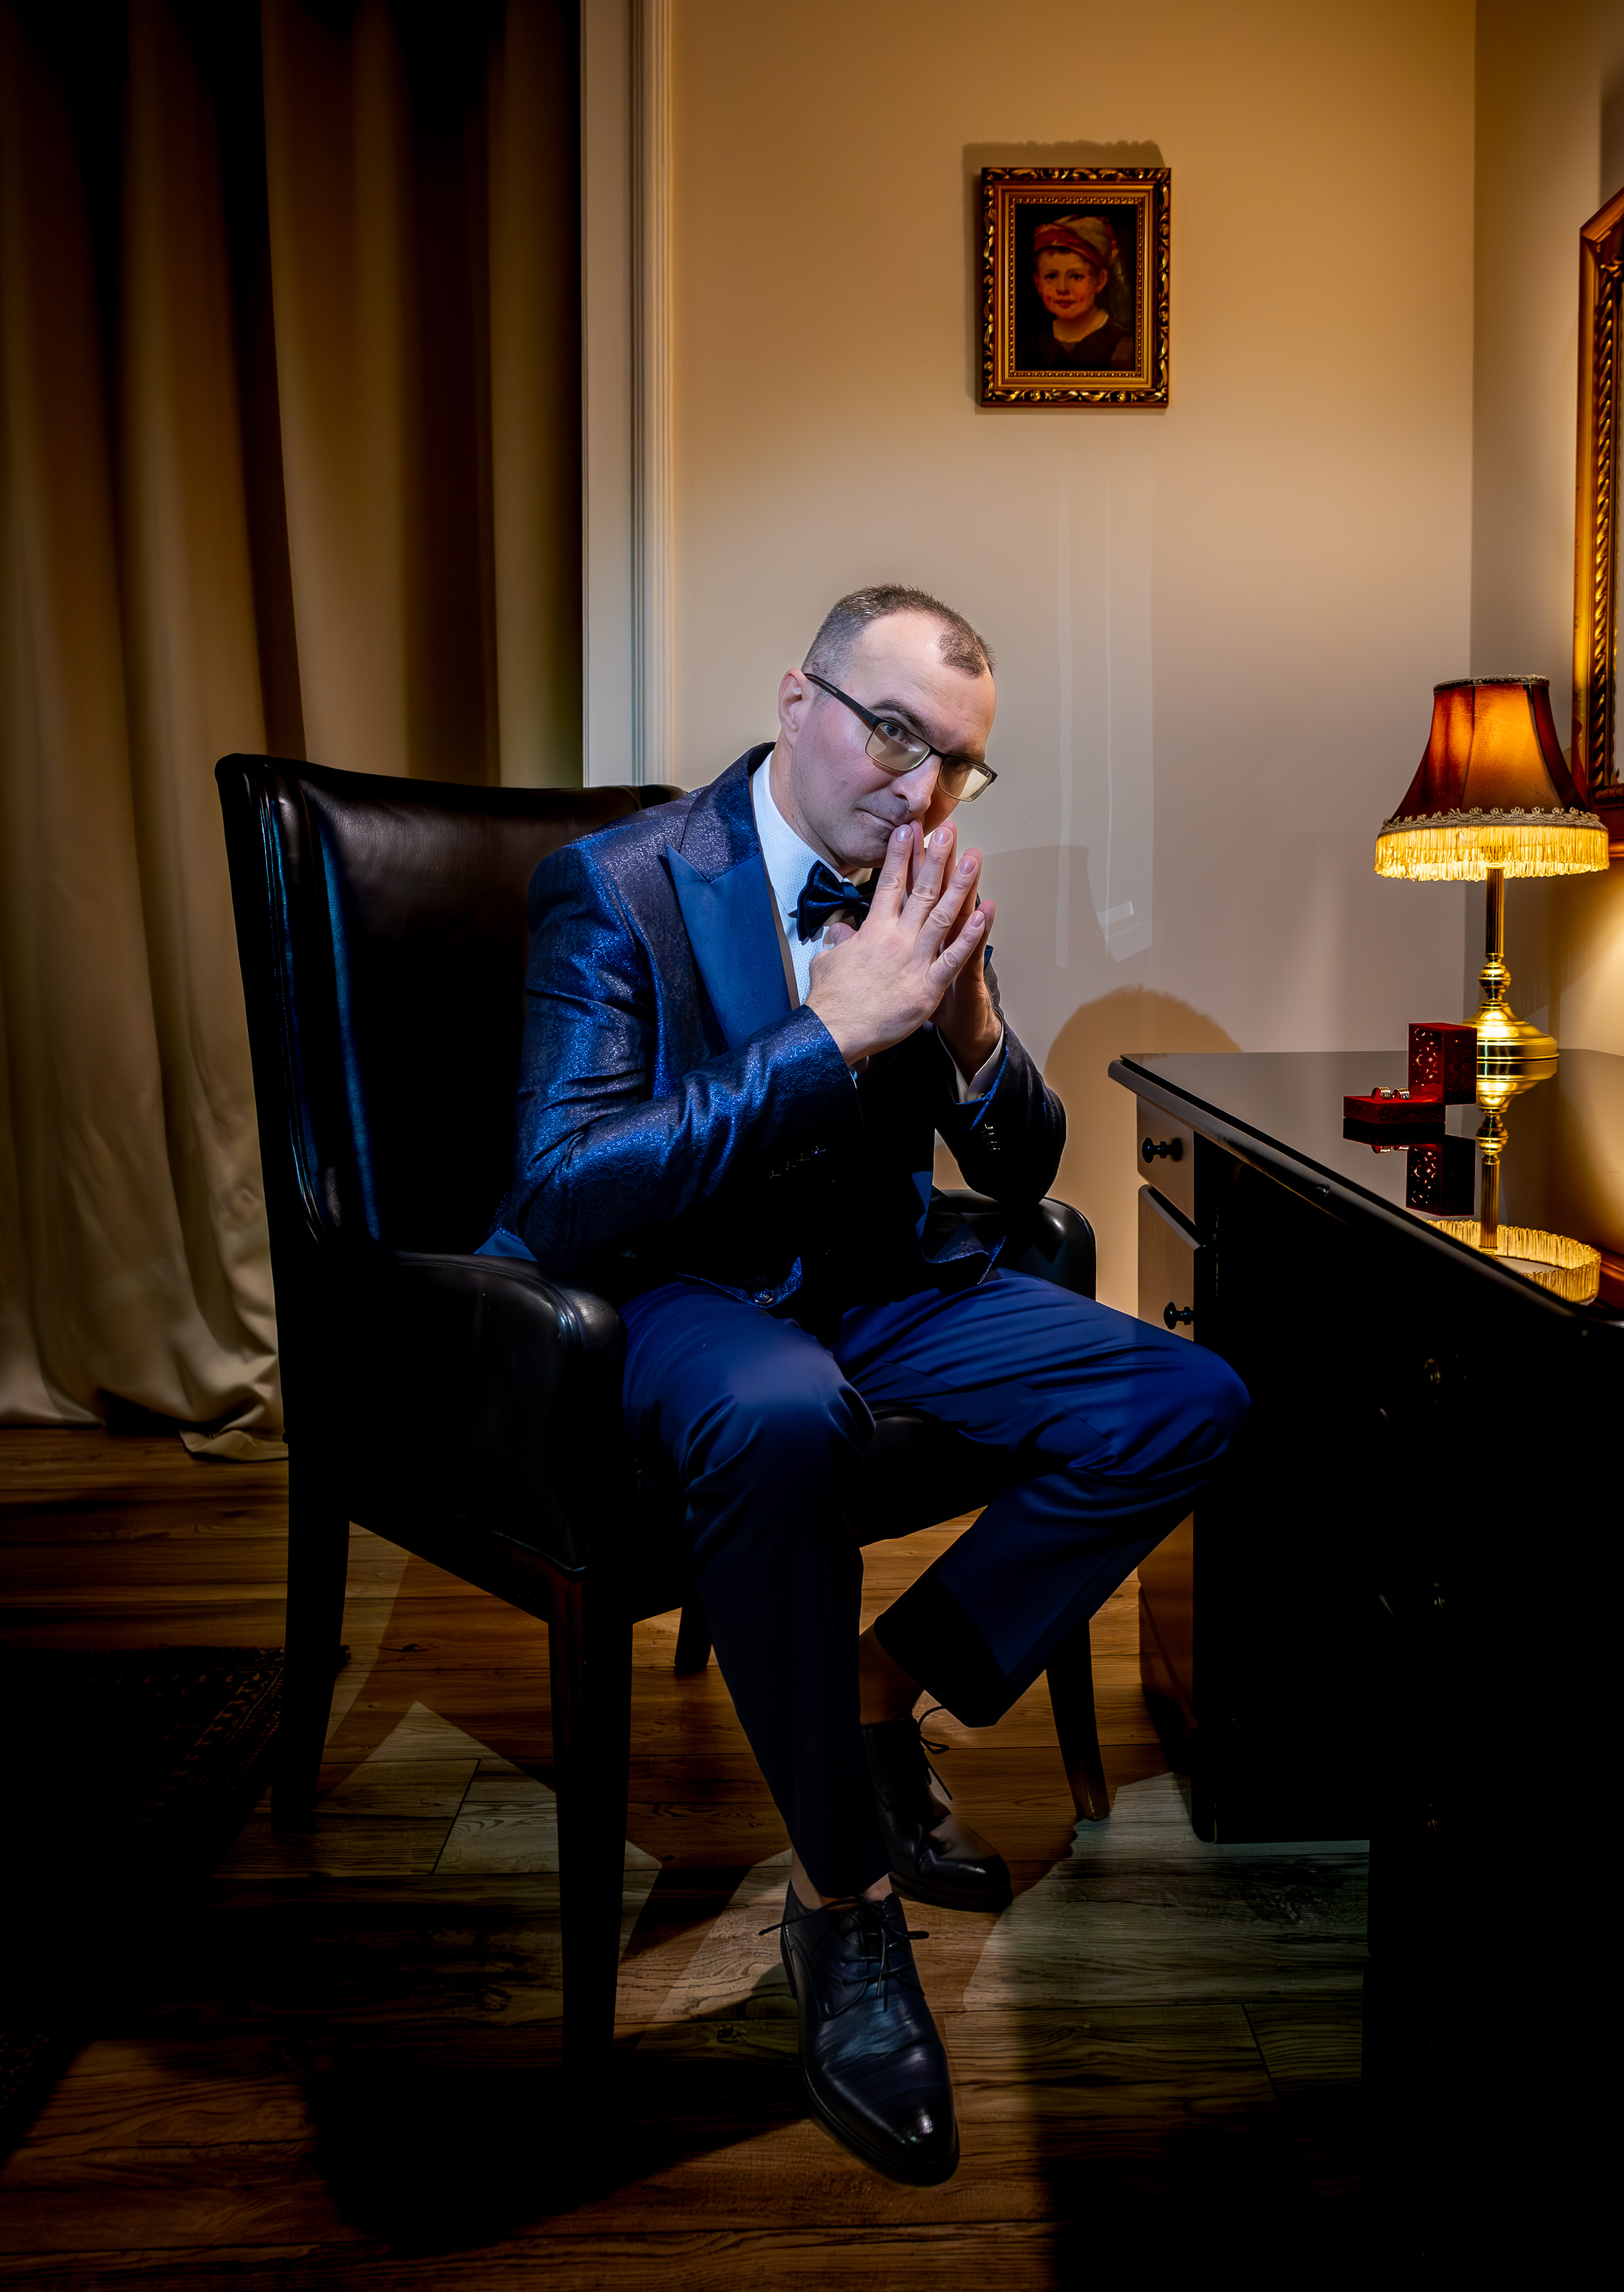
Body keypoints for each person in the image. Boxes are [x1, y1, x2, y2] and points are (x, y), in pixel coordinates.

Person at [484, 583, 1247, 2186]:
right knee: (780, 1413)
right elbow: (559, 1192)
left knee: (1185, 1399)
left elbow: (1019, 1165)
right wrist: (826, 1037)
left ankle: (875, 1691)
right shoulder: (617, 884)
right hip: (678, 1291)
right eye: (894, 734)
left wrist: (969, 1033)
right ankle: (840, 1897)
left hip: (876, 1278)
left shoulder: (915, 876)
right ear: (797, 699)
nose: (922, 788)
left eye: (958, 760)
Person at [1022, 213, 1136, 371]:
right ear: (1038, 283)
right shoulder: (1030, 349)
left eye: (1076, 277)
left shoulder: (1123, 348)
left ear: (1100, 280)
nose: (1062, 289)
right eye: (1051, 276)